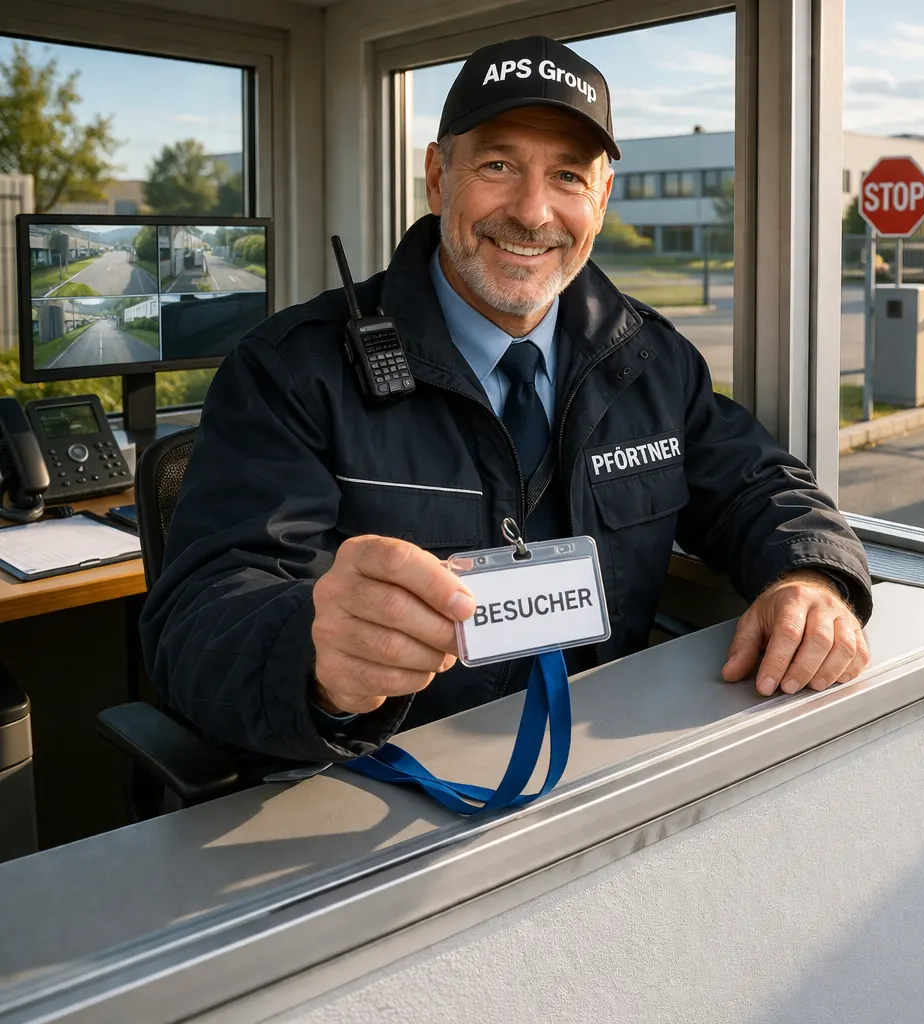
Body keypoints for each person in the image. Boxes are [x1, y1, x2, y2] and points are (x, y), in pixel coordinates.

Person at [141, 36, 873, 768]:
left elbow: (759, 484)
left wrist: (810, 578)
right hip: (379, 795)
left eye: (566, 176)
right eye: (498, 166)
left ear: (601, 198)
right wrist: (310, 655)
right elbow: (198, 619)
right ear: (437, 177)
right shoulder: (290, 370)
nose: (532, 212)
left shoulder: (650, 361)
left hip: (600, 775)